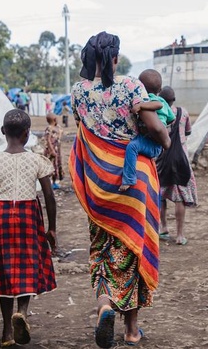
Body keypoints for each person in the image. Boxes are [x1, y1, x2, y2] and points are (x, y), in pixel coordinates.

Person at [69, 31, 170, 348]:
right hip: (134, 181)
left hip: (98, 184)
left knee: (102, 249)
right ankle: (131, 330)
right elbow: (154, 126)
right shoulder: (131, 85)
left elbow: (83, 131)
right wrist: (166, 143)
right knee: (132, 248)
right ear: (115, 57)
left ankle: (104, 306)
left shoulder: (78, 90)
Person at [0, 109, 57, 347]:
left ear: (3, 131)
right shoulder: (37, 161)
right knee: (27, 265)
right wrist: (52, 228)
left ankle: (8, 332)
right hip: (28, 216)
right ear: (27, 134)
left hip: (1, 217)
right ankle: (23, 313)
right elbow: (49, 196)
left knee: (4, 270)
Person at [119, 69, 175, 191]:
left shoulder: (148, 99)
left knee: (132, 146)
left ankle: (129, 179)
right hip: (151, 139)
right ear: (160, 89)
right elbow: (172, 118)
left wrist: (140, 105)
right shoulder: (164, 102)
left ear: (140, 86)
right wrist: (165, 122)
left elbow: (158, 105)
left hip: (154, 142)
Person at [157, 86, 198, 245]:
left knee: (161, 194)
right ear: (173, 99)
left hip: (162, 157)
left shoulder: (157, 112)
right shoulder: (183, 113)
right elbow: (187, 133)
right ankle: (180, 235)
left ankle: (163, 228)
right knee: (179, 197)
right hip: (181, 159)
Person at [43, 113, 64, 189]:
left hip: (57, 149)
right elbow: (48, 140)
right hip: (51, 150)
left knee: (56, 165)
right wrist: (52, 150)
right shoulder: (49, 128)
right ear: (54, 119)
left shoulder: (57, 127)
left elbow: (61, 132)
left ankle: (54, 182)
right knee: (50, 165)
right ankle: (49, 183)